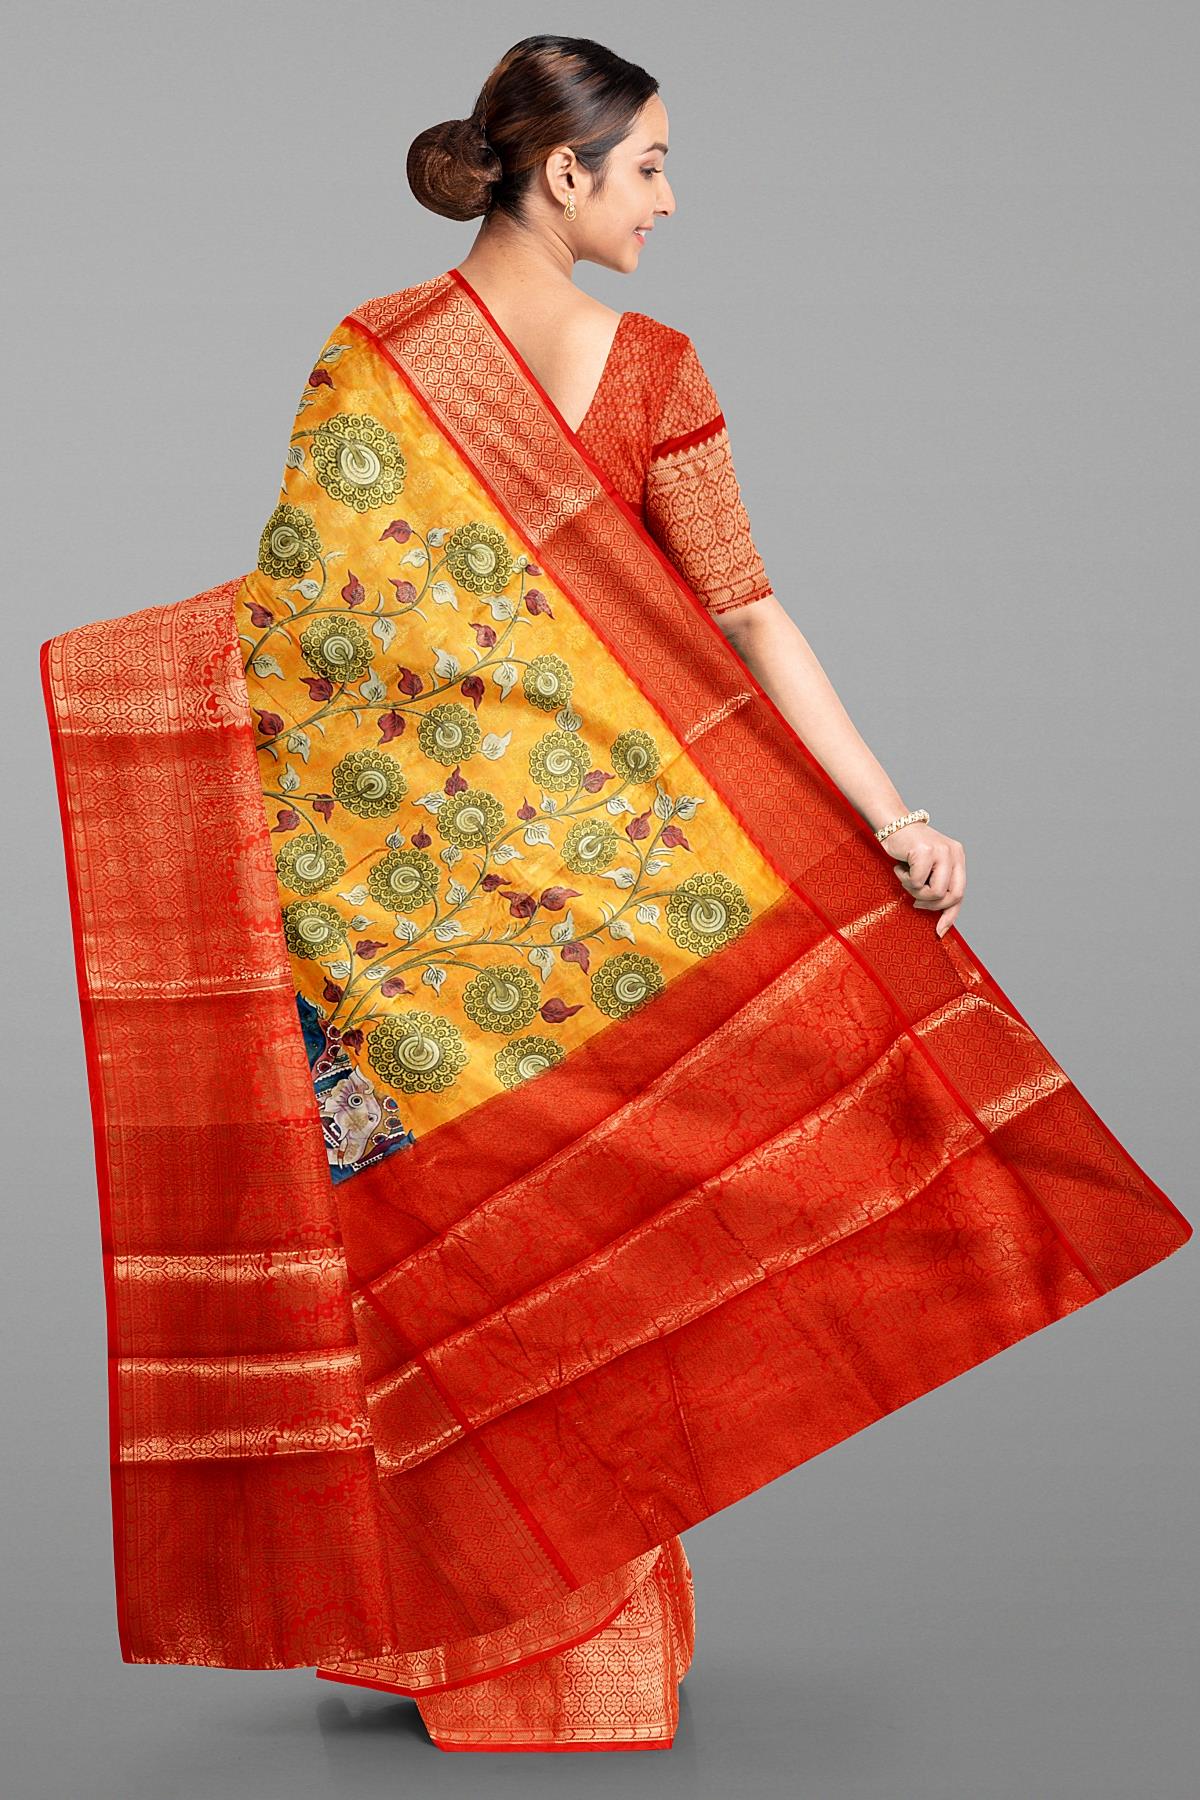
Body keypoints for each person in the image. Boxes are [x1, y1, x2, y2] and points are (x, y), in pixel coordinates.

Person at [41, 32, 1190, 1757]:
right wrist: (881, 810)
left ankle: (553, 1645)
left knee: (539, 1265)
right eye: (649, 165)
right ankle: (493, 1636)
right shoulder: (411, 363)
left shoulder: (517, 358)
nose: (669, 197)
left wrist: (891, 814)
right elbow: (345, 631)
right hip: (575, 923)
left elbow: (313, 659)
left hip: (480, 935)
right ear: (561, 172)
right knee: (509, 1268)